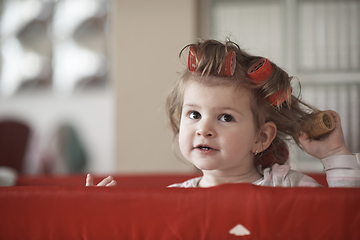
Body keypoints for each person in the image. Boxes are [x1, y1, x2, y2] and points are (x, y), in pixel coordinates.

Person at [86, 39, 360, 188]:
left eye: (225, 117)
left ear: (261, 137)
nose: (203, 129)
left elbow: (343, 218)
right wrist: (108, 212)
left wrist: (334, 155)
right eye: (193, 115)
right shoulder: (174, 198)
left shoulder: (287, 185)